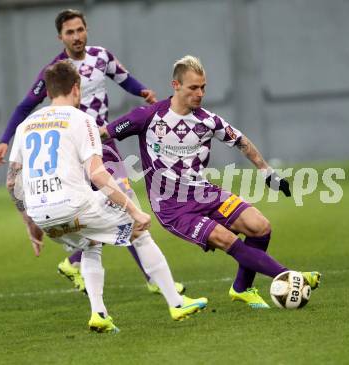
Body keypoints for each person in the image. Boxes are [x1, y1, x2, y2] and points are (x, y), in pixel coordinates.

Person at [101, 55, 322, 309]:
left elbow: (241, 141)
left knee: (260, 226)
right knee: (228, 240)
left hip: (204, 193)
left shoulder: (207, 120)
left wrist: (267, 172)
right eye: (193, 87)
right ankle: (290, 276)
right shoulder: (148, 116)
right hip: (173, 208)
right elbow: (104, 133)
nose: (200, 93)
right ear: (176, 85)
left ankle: (242, 288)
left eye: (203, 87)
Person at [0, 9, 184, 295]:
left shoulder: (101, 57)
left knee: (117, 204)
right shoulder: (56, 71)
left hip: (103, 141)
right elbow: (24, 106)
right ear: (60, 37)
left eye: (80, 29)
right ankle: (148, 277)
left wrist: (143, 91)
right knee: (123, 202)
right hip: (77, 147)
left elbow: (124, 77)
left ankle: (77, 262)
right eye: (69, 32)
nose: (76, 36)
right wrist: (5, 139)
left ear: (86, 29)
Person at [7, 61, 207, 332]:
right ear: (76, 88)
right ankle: (176, 302)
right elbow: (98, 174)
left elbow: (12, 182)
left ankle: (99, 314)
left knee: (91, 243)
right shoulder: (82, 119)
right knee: (138, 230)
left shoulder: (25, 126)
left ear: (49, 92)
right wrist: (134, 211)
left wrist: (31, 225)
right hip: (73, 206)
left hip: (42, 216)